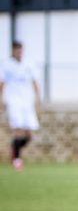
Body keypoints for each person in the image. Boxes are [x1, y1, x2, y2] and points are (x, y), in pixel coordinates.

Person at [0, 41, 41, 171]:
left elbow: (35, 81)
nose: (19, 53)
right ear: (13, 51)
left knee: (29, 134)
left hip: (27, 101)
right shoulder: (6, 65)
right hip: (13, 100)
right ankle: (17, 160)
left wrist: (38, 99)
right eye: (17, 51)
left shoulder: (29, 63)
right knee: (18, 130)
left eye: (21, 51)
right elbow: (2, 83)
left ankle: (14, 147)